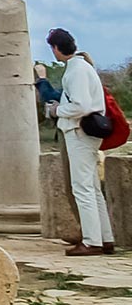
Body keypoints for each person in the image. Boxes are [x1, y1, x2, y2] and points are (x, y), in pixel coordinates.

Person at [36, 28, 116, 257]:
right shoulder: (81, 68)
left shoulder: (77, 71)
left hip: (79, 131)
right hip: (83, 131)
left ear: (56, 49)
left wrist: (56, 111)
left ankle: (92, 241)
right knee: (90, 187)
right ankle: (104, 236)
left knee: (82, 187)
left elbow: (80, 105)